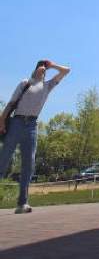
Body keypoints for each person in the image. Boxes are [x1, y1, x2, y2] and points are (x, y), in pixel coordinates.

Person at [0, 59, 71, 213]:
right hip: (17, 123)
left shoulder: (48, 86)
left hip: (32, 126)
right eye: (40, 66)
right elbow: (11, 104)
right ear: (35, 68)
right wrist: (2, 122)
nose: (42, 69)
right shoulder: (26, 83)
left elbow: (66, 71)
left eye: (45, 67)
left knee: (28, 165)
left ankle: (22, 203)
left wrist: (52, 65)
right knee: (3, 160)